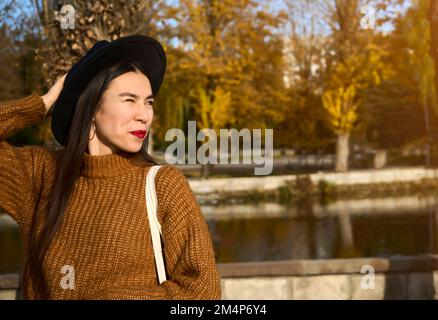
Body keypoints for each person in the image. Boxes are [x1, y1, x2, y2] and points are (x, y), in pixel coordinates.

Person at [0, 35, 221, 300]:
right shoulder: (42, 175)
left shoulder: (163, 184)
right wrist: (43, 104)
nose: (144, 114)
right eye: (129, 100)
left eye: (148, 102)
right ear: (92, 106)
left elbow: (202, 290)